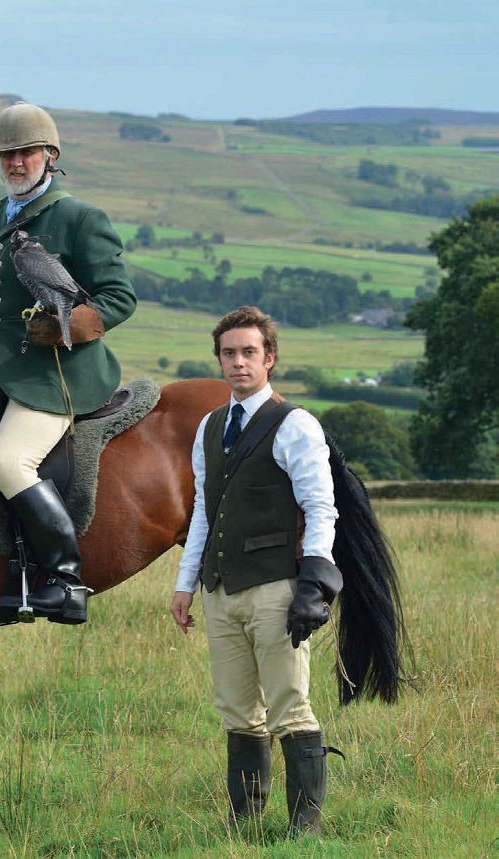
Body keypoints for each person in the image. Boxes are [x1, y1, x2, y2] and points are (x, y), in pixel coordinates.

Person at [0, 101, 136, 625]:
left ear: (50, 155)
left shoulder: (80, 217)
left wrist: (74, 327)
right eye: (6, 154)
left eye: (26, 152)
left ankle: (65, 579)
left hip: (56, 377)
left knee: (6, 462)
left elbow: (119, 296)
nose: (15, 163)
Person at [169, 305, 343, 836]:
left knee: (290, 707)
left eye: (249, 353)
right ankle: (244, 823)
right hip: (221, 590)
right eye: (229, 353)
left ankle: (304, 830)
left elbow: (320, 508)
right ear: (219, 360)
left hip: (276, 588)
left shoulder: (296, 425)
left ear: (270, 359)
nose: (238, 363)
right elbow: (204, 508)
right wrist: (184, 583)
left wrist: (314, 585)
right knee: (238, 713)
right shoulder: (209, 425)